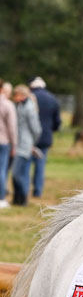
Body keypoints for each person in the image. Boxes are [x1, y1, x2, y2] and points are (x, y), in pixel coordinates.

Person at [28, 77, 61, 198]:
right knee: (40, 166)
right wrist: (52, 130)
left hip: (29, 137)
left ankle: (24, 189)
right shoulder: (52, 98)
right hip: (45, 137)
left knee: (26, 165)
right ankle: (37, 191)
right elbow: (57, 121)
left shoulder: (30, 97)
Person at [11, 85, 42, 205]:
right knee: (18, 174)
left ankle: (23, 198)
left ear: (22, 95)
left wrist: (31, 143)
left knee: (17, 174)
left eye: (16, 94)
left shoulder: (29, 108)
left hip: (25, 145)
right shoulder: (20, 106)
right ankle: (17, 199)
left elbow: (36, 129)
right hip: (19, 144)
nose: (14, 97)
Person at [0, 79, 17, 209]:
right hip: (3, 141)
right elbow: (12, 127)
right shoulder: (7, 104)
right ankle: (1, 198)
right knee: (2, 170)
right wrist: (14, 144)